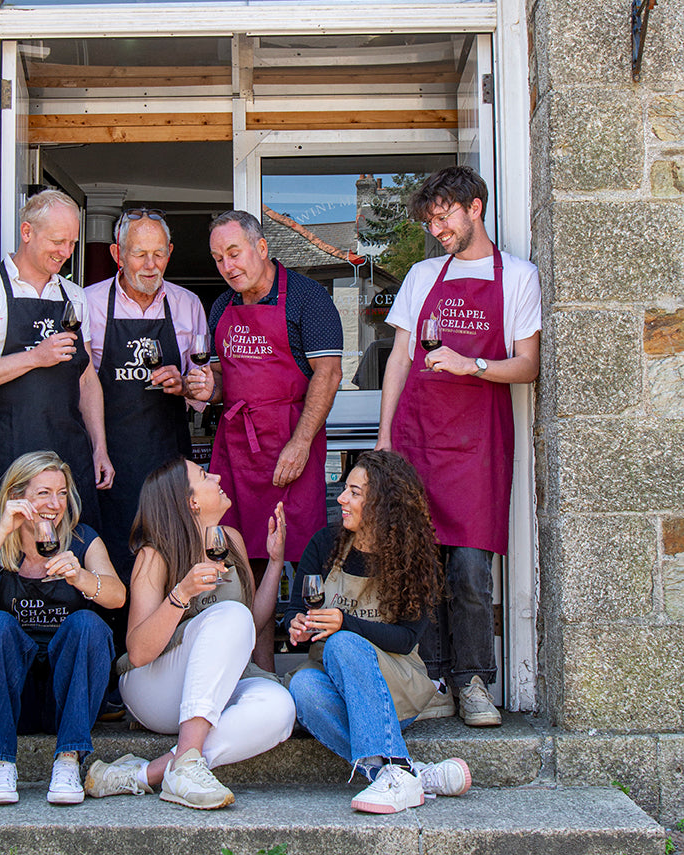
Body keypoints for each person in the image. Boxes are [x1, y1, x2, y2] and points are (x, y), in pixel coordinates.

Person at [376, 166, 541, 727]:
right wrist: (382, 441)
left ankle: (474, 682)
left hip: (476, 445)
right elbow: (399, 358)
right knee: (420, 565)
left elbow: (528, 364)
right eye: (431, 220)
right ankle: (435, 680)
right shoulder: (423, 275)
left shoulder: (517, 277)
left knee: (470, 568)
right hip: (418, 439)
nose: (437, 228)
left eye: (444, 216)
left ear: (475, 207)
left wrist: (471, 364)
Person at [83, 457, 296, 810]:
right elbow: (137, 652)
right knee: (229, 613)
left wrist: (275, 562)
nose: (216, 476)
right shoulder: (154, 555)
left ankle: (154, 772)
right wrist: (181, 594)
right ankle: (185, 762)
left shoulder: (232, 540)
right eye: (204, 475)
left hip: (214, 690)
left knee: (280, 708)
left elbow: (252, 623)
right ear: (191, 501)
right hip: (157, 687)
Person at [189, 210, 343, 670]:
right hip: (237, 450)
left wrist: (299, 444)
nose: (227, 266)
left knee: (306, 559)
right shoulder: (221, 307)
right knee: (242, 564)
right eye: (218, 259)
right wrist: (205, 389)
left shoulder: (308, 300)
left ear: (261, 247)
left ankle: (317, 675)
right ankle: (258, 674)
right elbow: (221, 381)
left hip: (292, 442)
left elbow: (329, 375)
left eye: (233, 253)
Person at [286, 450, 472, 815]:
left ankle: (393, 769)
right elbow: (297, 609)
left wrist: (345, 623)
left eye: (354, 492)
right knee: (302, 688)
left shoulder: (414, 557)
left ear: (382, 503)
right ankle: (405, 771)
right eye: (346, 490)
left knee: (342, 643)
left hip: (394, 690)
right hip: (335, 686)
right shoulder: (324, 546)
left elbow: (405, 639)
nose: (341, 498)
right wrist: (297, 624)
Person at [0, 451, 125, 806]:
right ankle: (0, 763)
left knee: (88, 623)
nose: (55, 503)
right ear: (17, 497)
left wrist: (82, 578)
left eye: (61, 493)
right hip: (9, 699)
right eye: (43, 493)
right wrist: (0, 532)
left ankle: (68, 760)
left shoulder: (83, 540)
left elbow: (117, 597)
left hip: (68, 700)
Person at [0, 189, 114, 534]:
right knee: (4, 562)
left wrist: (99, 447)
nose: (66, 252)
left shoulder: (74, 297)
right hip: (8, 458)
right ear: (27, 233)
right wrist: (36, 357)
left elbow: (85, 379)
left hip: (68, 456)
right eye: (58, 241)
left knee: (74, 558)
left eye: (72, 242)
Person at [85, 208, 211, 585]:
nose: (151, 265)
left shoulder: (188, 305)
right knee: (111, 559)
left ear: (170, 252)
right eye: (139, 254)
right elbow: (79, 384)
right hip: (108, 461)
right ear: (116, 254)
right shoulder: (87, 303)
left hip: (168, 459)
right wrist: (96, 449)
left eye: (159, 254)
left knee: (169, 559)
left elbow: (204, 386)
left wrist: (187, 384)